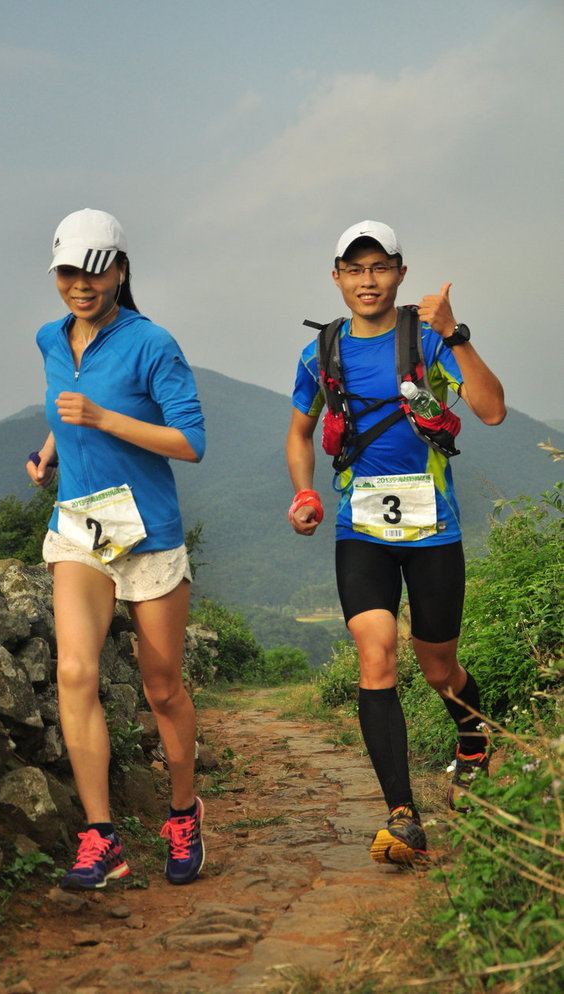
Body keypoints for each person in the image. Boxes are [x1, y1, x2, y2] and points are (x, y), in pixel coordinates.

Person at [286, 220, 506, 866]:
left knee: (438, 666)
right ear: (337, 279)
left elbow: (491, 409)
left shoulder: (427, 341)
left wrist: (454, 334)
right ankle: (403, 816)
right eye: (354, 270)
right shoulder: (321, 354)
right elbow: (301, 434)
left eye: (379, 267)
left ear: (401, 273)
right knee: (375, 653)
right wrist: (304, 493)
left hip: (434, 527)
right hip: (362, 531)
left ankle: (472, 730)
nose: (367, 280)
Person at [26, 208, 206, 889]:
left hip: (147, 534)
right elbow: (61, 404)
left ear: (120, 271)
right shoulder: (50, 338)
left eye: (95, 270)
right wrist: (46, 451)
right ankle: (101, 836)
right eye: (69, 270)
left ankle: (184, 812)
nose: (81, 283)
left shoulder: (152, 343)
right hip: (81, 528)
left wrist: (103, 418)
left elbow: (191, 442)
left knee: (161, 689)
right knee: (76, 672)